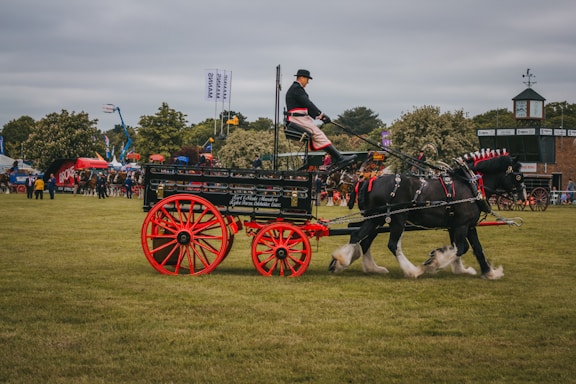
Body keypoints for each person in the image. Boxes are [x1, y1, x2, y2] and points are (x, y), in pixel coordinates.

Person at [285, 69, 356, 172]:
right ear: (301, 78)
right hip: (297, 118)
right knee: (318, 134)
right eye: (307, 79)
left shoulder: (296, 89)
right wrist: (320, 115)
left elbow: (307, 107)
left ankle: (338, 157)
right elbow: (308, 103)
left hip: (301, 117)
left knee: (319, 134)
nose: (308, 82)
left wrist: (320, 117)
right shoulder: (297, 89)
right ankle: (339, 158)